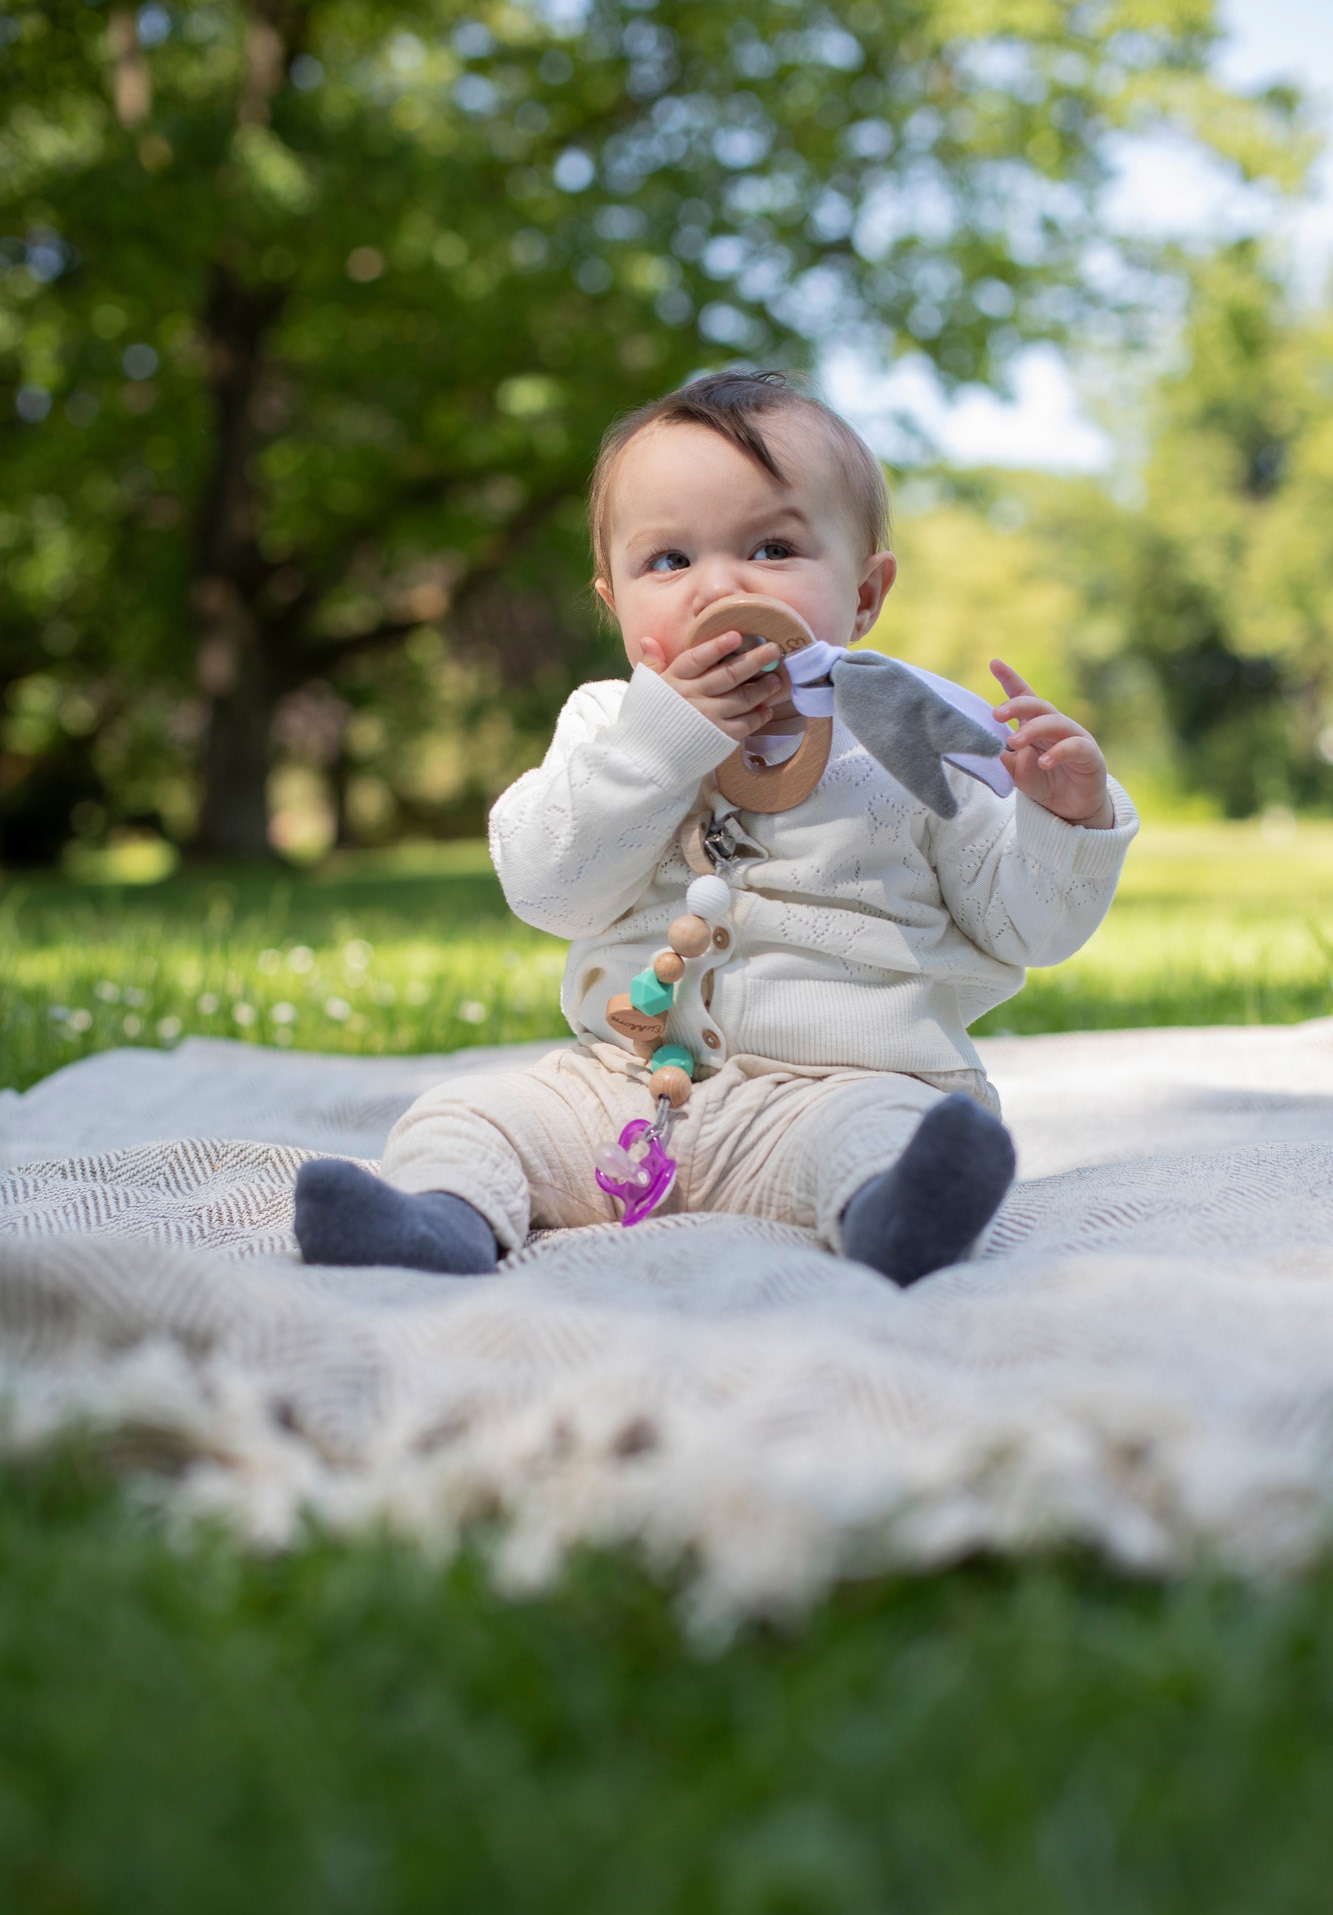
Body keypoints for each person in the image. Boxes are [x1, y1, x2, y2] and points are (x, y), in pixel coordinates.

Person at [294, 370, 1138, 1286]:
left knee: (889, 1134)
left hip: (836, 1092)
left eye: (771, 547)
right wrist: (662, 744)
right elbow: (546, 888)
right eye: (668, 561)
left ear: (863, 595)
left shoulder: (906, 743)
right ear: (614, 604)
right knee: (467, 1114)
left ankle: (898, 1219)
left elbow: (1027, 927)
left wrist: (1060, 822)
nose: (718, 588)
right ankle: (437, 1223)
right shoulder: (607, 728)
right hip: (618, 1097)